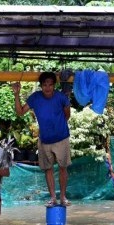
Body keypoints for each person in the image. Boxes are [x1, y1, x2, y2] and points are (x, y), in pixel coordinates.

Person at [12, 72, 72, 207]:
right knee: (48, 169)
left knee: (63, 167)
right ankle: (53, 198)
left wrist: (57, 127)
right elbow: (20, 112)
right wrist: (16, 94)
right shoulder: (35, 97)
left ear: (54, 85)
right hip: (45, 139)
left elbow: (67, 115)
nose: (47, 88)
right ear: (41, 86)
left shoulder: (61, 97)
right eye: (45, 85)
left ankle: (63, 197)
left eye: (50, 85)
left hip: (62, 137)